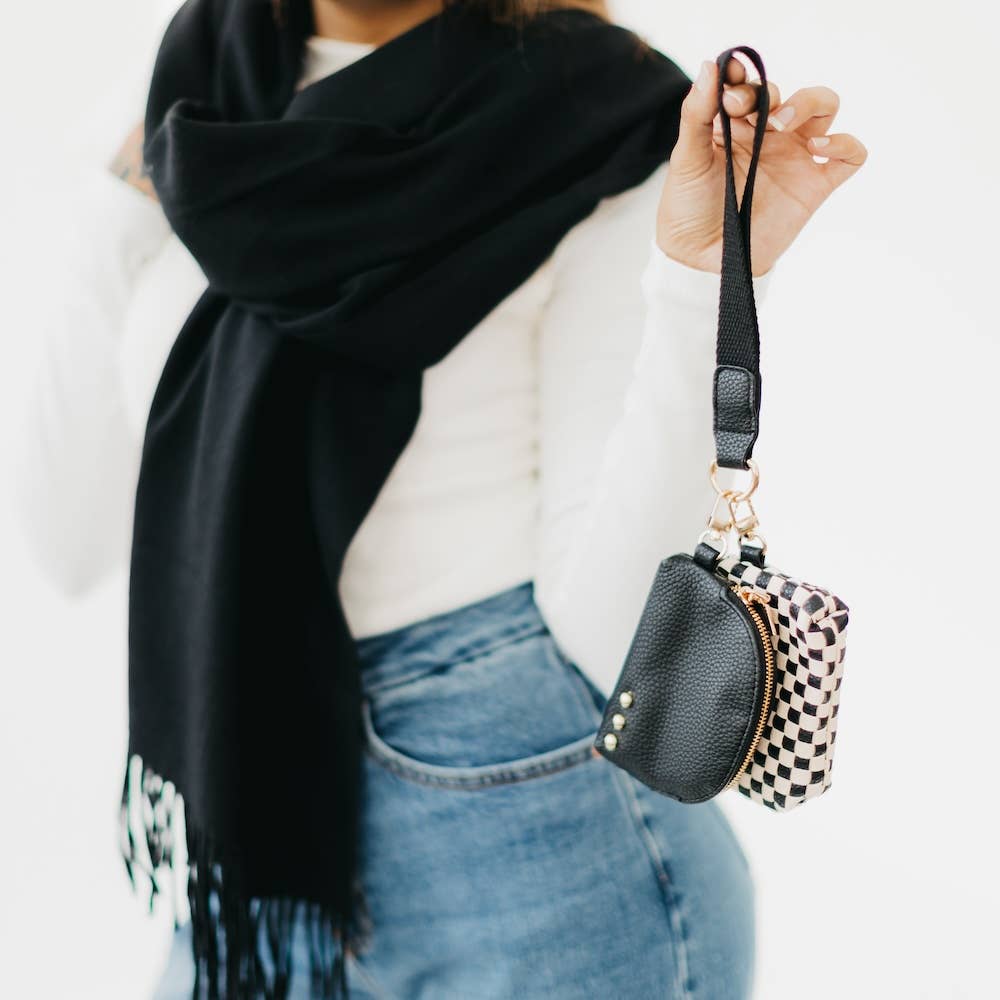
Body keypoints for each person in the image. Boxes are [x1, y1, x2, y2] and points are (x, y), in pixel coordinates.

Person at [14, 1, 866, 997]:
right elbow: (65, 539)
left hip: (534, 830)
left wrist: (702, 278)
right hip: (252, 802)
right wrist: (121, 202)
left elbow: (614, 643)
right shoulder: (192, 85)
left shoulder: (598, 112)